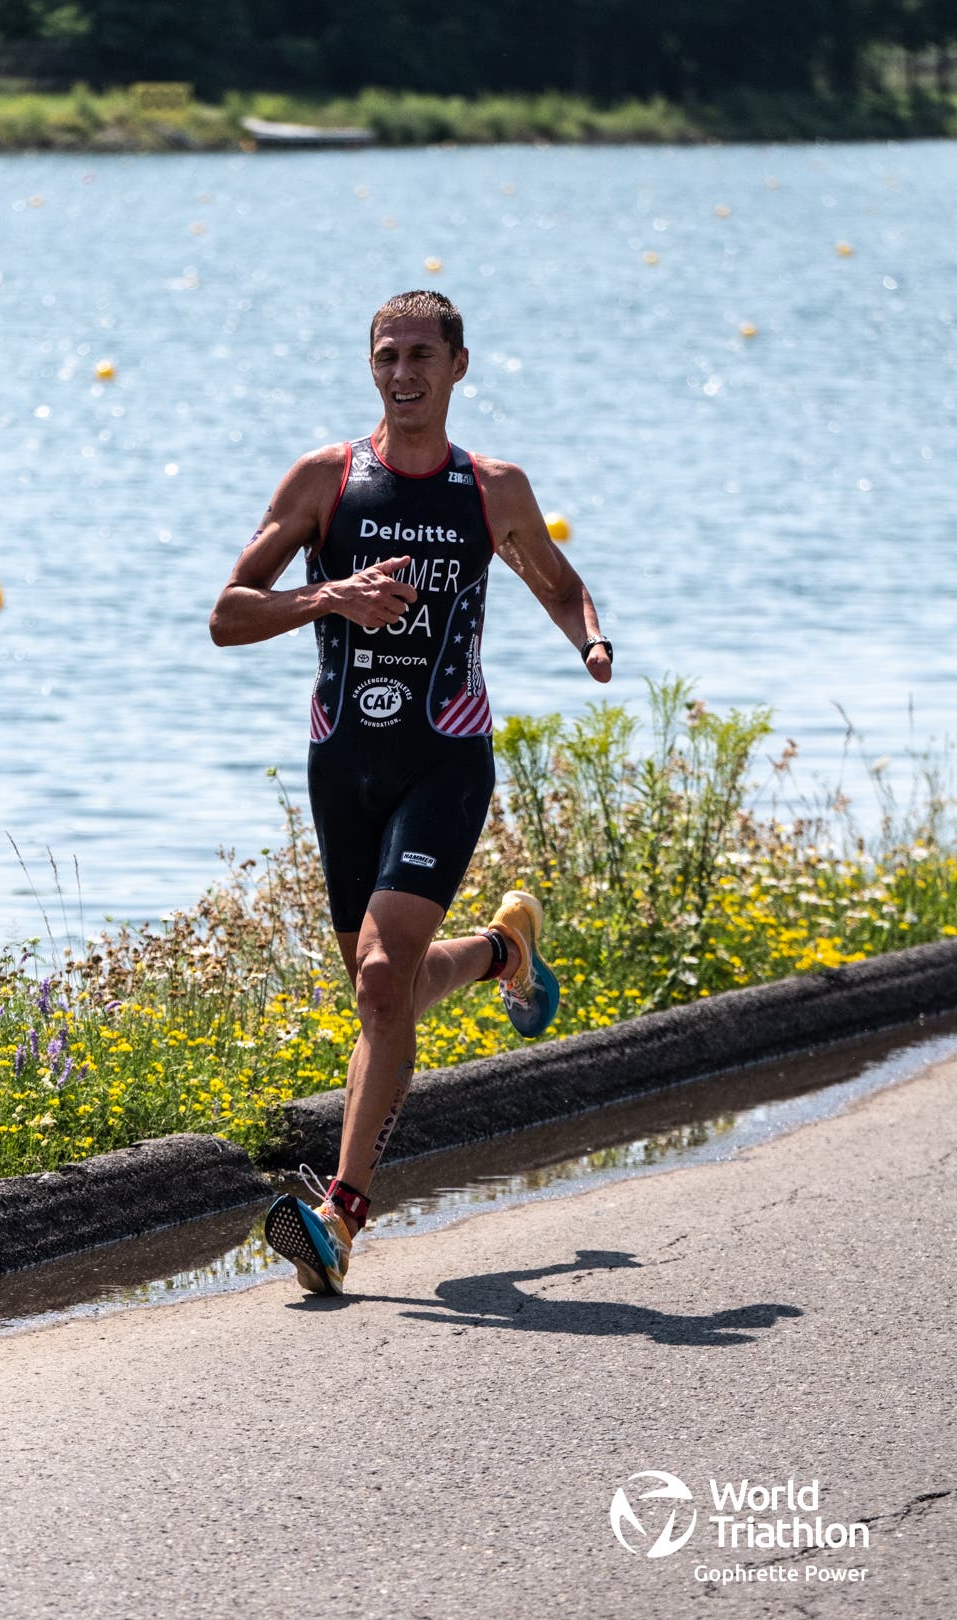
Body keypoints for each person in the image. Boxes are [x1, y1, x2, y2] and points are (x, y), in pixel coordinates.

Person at [209, 290, 612, 1296]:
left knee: (384, 982)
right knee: (379, 989)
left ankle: (340, 1214)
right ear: (372, 367)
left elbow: (557, 585)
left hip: (445, 756)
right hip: (344, 763)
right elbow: (228, 613)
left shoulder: (493, 489)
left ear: (459, 366)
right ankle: (499, 951)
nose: (403, 373)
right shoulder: (324, 480)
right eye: (387, 356)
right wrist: (330, 594)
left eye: (421, 355)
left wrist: (591, 641)